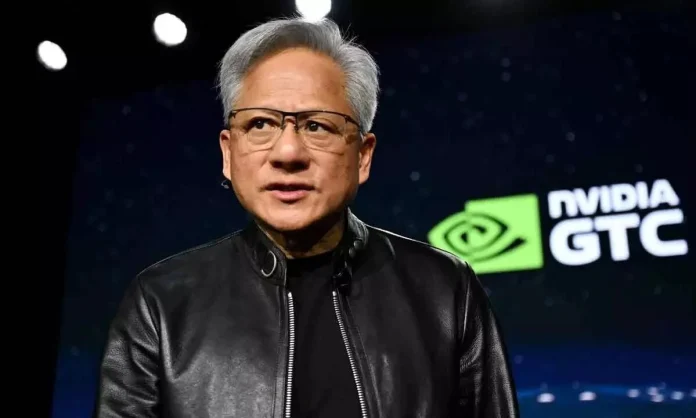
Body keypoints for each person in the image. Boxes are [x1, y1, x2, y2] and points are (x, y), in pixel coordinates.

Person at [93, 16, 519, 418]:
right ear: (228, 152)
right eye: (261, 124)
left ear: (363, 155)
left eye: (317, 126)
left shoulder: (446, 291)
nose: (287, 153)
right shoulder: (160, 303)